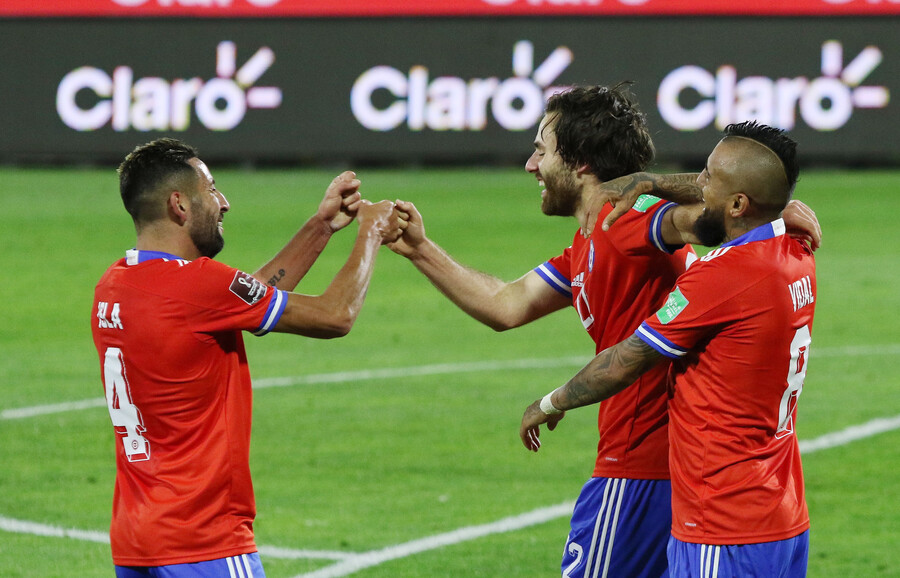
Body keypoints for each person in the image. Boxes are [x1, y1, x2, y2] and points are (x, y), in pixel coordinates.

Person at [390, 85, 819, 577]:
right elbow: (506, 304)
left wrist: (771, 213)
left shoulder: (632, 222)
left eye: (541, 151)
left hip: (642, 471)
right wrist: (420, 249)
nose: (531, 165)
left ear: (580, 164)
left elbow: (707, 220)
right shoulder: (588, 243)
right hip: (686, 476)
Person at [91, 138, 401, 577]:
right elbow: (336, 315)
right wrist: (371, 233)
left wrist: (321, 226)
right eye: (212, 189)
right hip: (204, 539)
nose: (224, 202)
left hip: (136, 540)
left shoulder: (114, 286)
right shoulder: (199, 286)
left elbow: (238, 299)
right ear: (180, 204)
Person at [521, 120, 815, 577]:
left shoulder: (722, 278)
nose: (697, 186)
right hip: (782, 516)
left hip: (725, 522)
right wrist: (653, 181)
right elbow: (751, 206)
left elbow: (627, 360)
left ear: (739, 204)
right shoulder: (798, 250)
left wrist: (550, 403)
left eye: (708, 178)